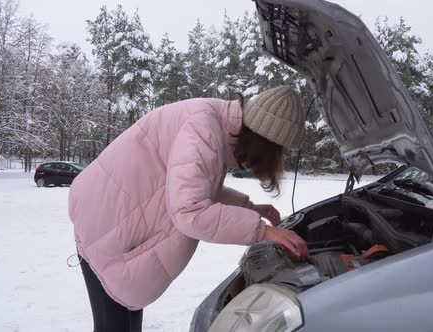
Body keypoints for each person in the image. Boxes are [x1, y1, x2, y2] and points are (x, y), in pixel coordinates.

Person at [68, 86, 309, 331]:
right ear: (262, 142)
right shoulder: (203, 131)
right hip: (107, 223)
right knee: (115, 325)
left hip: (118, 219)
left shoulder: (215, 126)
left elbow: (198, 189)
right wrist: (265, 232)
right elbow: (190, 211)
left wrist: (251, 208)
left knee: (125, 321)